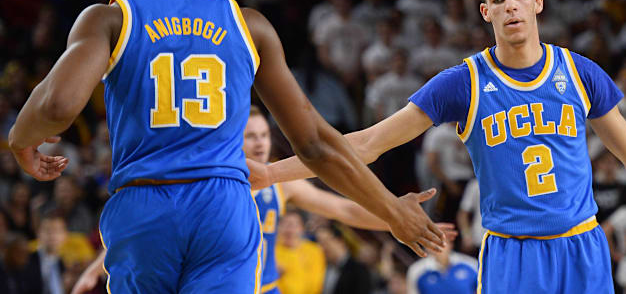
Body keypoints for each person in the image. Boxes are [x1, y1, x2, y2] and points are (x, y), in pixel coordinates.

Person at [7, 0, 444, 294]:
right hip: (222, 205)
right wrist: (392, 210)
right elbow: (314, 142)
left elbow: (58, 106)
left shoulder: (109, 19)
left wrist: (20, 140)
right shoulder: (246, 24)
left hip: (144, 204)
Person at [252, 0, 626, 293]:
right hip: (512, 254)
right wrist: (272, 173)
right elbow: (369, 142)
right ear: (485, 12)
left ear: (537, 3)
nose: (509, 6)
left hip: (582, 246)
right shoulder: (462, 83)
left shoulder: (579, 72)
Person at [71, 105, 452, 293]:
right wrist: (100, 264)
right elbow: (156, 228)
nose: (258, 142)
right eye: (250, 136)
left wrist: (397, 217)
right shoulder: (210, 179)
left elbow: (342, 208)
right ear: (235, 140)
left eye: (263, 136)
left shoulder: (279, 182)